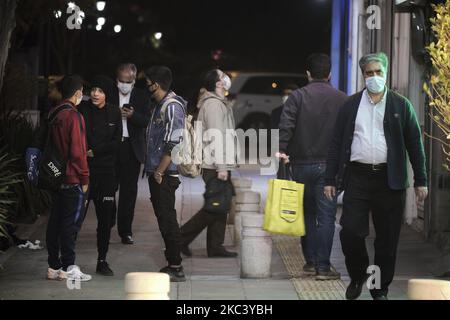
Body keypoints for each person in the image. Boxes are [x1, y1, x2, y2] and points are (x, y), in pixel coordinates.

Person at [324, 52, 428, 300]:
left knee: (387, 239)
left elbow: (415, 144)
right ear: (363, 76)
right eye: (369, 73)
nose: (374, 77)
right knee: (350, 232)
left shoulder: (401, 105)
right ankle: (359, 275)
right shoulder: (350, 106)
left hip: (389, 180)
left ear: (386, 73)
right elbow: (336, 143)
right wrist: (330, 179)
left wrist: (421, 180)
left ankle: (378, 287)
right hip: (358, 177)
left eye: (378, 72)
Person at [278, 54, 348, 280]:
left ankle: (310, 262)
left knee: (306, 213)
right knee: (326, 217)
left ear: (307, 73)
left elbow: (286, 126)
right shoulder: (342, 99)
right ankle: (323, 267)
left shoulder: (297, 97)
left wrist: (282, 152)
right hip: (329, 169)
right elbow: (348, 135)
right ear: (329, 74)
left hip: (300, 166)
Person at [180, 69, 238, 258]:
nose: (226, 77)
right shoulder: (213, 105)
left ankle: (215, 246)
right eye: (223, 75)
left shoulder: (218, 103)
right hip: (214, 165)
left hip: (218, 164)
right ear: (218, 83)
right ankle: (180, 238)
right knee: (214, 207)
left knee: (221, 205)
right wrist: (222, 167)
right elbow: (216, 137)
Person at [45, 75, 91, 282]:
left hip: (54, 176)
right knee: (70, 225)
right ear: (77, 92)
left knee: (54, 222)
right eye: (81, 90)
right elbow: (78, 152)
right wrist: (85, 178)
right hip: (72, 178)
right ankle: (68, 267)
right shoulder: (74, 116)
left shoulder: (54, 113)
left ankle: (53, 266)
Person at [144, 66, 187, 282]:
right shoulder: (160, 105)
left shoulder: (171, 107)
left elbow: (173, 143)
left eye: (148, 82)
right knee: (164, 219)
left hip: (165, 173)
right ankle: (173, 262)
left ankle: (176, 266)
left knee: (168, 220)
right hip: (158, 171)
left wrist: (159, 172)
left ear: (156, 84)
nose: (147, 87)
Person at [79, 75, 122, 276]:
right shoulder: (81, 110)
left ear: (107, 94)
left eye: (101, 90)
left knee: (105, 220)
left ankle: (102, 260)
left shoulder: (114, 113)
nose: (95, 93)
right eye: (93, 89)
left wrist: (95, 151)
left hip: (106, 173)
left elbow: (117, 143)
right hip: (83, 172)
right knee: (76, 217)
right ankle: (65, 260)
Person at [110, 63, 151, 245]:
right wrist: (114, 114)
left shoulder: (142, 96)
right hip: (111, 147)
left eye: (128, 81)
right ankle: (107, 222)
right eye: (121, 81)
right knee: (108, 188)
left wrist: (133, 116)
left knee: (129, 192)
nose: (124, 84)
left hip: (131, 148)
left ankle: (125, 231)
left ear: (134, 81)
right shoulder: (108, 94)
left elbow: (147, 121)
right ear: (116, 79)